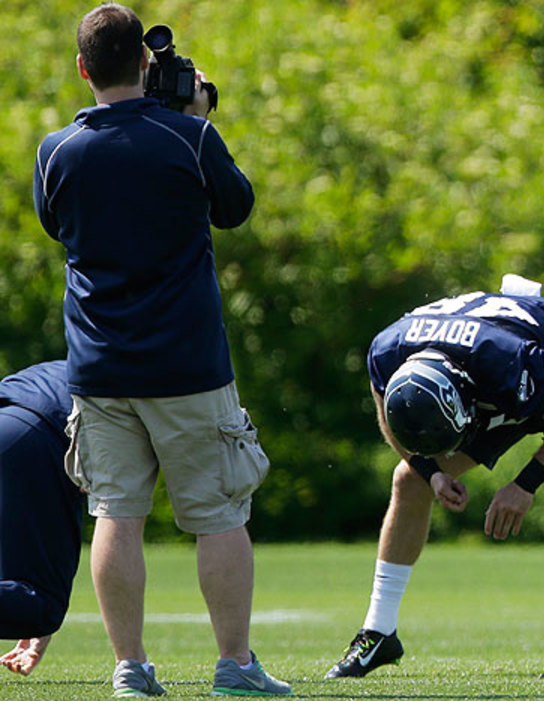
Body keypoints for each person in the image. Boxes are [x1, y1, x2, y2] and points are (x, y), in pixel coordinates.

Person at [33, 4, 289, 696]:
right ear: (145, 64)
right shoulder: (188, 138)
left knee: (117, 512)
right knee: (219, 513)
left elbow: (58, 224)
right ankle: (234, 664)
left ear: (84, 68)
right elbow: (235, 207)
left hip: (99, 365)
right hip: (188, 364)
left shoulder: (56, 151)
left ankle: (130, 666)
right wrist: (199, 119)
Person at [325, 277, 544, 679]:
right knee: (409, 480)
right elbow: (392, 425)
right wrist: (431, 473)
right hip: (482, 375)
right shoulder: (386, 351)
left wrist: (524, 485)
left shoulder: (507, 359)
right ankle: (379, 631)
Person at [0, 361, 84, 677]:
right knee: (40, 607)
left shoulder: (77, 358)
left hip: (12, 421)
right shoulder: (152, 387)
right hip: (34, 438)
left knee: (34, 601)